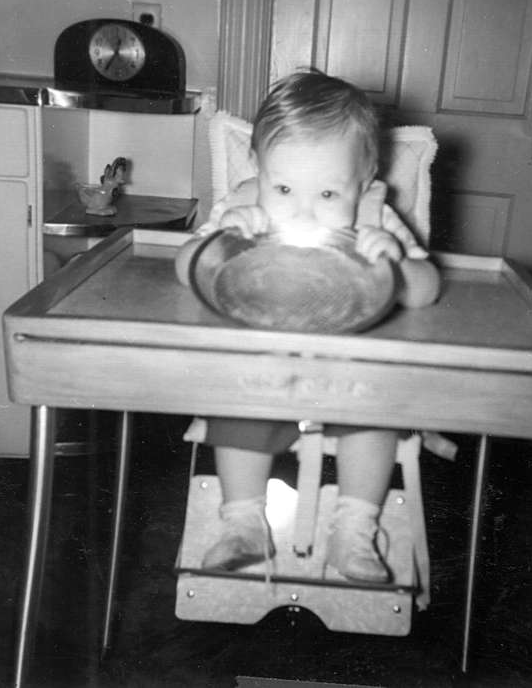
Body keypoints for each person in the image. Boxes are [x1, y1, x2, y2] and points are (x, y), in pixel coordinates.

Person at [175, 70, 440, 584]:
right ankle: (243, 522)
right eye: (284, 188)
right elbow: (184, 269)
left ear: (363, 184)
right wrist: (221, 243)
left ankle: (355, 530)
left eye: (327, 194)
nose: (302, 209)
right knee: (236, 408)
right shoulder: (244, 211)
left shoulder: (374, 222)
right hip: (264, 372)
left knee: (377, 419)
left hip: (352, 373)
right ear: (257, 168)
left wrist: (397, 264)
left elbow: (427, 288)